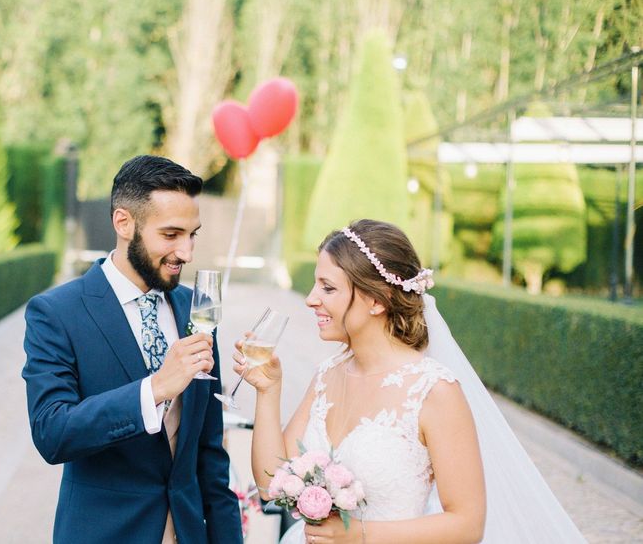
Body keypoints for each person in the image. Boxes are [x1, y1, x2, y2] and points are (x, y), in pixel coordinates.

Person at [234, 219, 585, 543]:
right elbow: (269, 486)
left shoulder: (434, 392)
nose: (311, 299)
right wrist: (268, 392)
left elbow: (467, 524)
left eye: (327, 288)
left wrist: (362, 534)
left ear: (376, 299)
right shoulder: (326, 376)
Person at [22, 155, 243, 544]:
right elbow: (52, 433)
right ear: (124, 223)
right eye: (171, 235)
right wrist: (155, 388)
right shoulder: (56, 313)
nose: (187, 253)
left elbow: (210, 455)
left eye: (193, 235)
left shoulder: (197, 309)